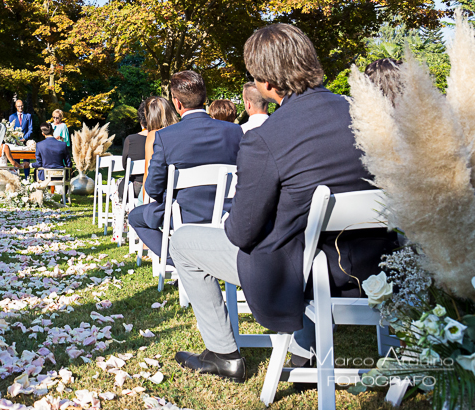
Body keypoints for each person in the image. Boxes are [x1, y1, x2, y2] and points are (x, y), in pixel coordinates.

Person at [169, 24, 398, 383]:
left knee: (183, 242)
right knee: (299, 238)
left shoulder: (266, 139)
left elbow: (242, 232)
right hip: (376, 267)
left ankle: (223, 354)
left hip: (304, 275)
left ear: (266, 84)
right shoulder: (369, 115)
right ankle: (304, 351)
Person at [129, 73, 242, 261]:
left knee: (135, 217)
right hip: (228, 211)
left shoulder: (165, 136)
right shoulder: (235, 131)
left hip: (183, 214)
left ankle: (180, 261)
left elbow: (153, 189)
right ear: (205, 98)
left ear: (177, 103)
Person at [117, 99, 148, 199]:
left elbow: (125, 165)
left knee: (118, 183)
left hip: (135, 187)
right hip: (159, 186)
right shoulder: (164, 138)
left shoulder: (131, 140)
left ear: (140, 121)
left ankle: (122, 212)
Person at [9, 99, 33, 178]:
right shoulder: (12, 117)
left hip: (25, 142)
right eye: (19, 106)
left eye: (22, 105)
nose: (21, 107)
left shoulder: (28, 116)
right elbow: (10, 130)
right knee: (16, 161)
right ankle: (17, 178)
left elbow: (30, 129)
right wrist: (15, 139)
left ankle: (27, 178)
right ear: (16, 106)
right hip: (15, 143)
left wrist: (24, 138)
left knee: (26, 161)